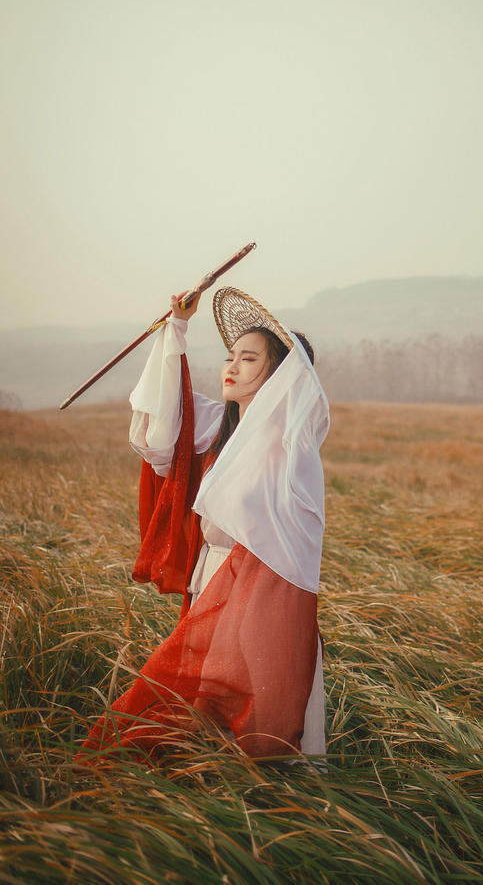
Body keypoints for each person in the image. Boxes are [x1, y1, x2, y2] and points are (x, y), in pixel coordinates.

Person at [77, 286, 330, 760]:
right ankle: (207, 791)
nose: (231, 367)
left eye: (249, 359)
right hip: (208, 582)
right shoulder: (220, 429)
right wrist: (177, 328)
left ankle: (262, 799)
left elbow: (287, 546)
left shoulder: (290, 455)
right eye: (230, 356)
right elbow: (167, 416)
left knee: (247, 702)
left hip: (258, 596)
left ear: (279, 376)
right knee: (202, 705)